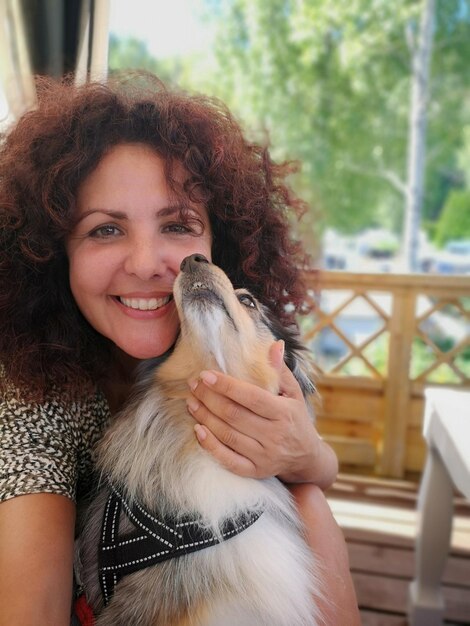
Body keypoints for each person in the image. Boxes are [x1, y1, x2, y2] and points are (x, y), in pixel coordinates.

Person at [0, 73, 360, 625]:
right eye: (104, 230)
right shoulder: (30, 399)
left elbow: (315, 473)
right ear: (52, 251)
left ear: (219, 241)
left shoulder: (244, 339)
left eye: (177, 224)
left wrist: (305, 456)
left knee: (307, 495)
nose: (147, 263)